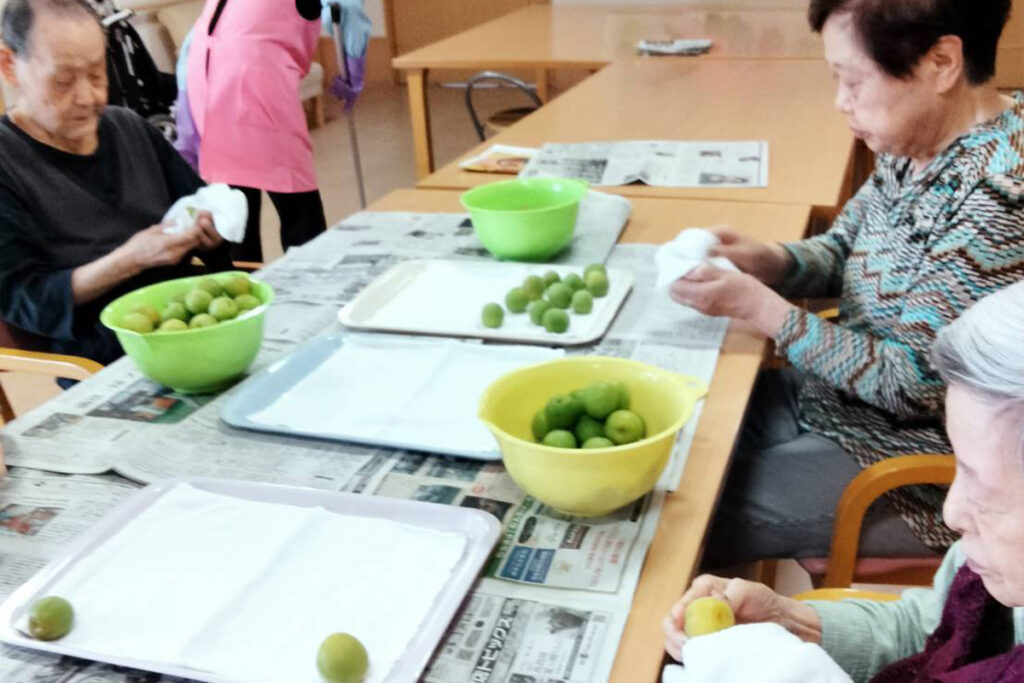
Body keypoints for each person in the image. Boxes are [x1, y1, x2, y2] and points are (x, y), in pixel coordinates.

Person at [669, 0, 1024, 566]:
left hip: (921, 465)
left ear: (941, 63)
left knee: (680, 519)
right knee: (684, 440)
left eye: (853, 81)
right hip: (839, 400)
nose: (841, 101)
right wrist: (770, 261)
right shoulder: (917, 141)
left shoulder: (999, 198)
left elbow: (912, 385)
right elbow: (844, 250)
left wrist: (764, 311)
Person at [664, 280, 1024, 682]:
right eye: (958, 468)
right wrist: (790, 621)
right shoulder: (988, 575)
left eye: (985, 490)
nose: (951, 513)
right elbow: (930, 631)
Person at [0, 0, 230, 365]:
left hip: (194, 323)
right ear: (9, 65)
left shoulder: (129, 127)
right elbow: (29, 301)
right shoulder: (8, 163)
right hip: (107, 357)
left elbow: (205, 219)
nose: (89, 97)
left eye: (97, 74)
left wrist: (211, 230)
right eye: (63, 81)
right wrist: (130, 259)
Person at [180, 0, 328, 263]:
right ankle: (308, 279)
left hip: (222, 92)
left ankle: (251, 283)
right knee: (287, 208)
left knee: (242, 212)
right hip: (242, 93)